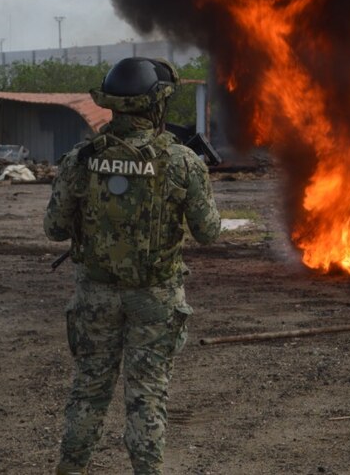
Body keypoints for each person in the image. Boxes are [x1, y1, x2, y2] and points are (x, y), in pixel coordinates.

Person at [44, 57, 221, 475]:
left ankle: (70, 469)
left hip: (96, 295)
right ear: (157, 104)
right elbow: (209, 231)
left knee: (88, 391)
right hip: (155, 299)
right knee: (146, 394)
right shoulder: (181, 163)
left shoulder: (81, 159)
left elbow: (53, 228)